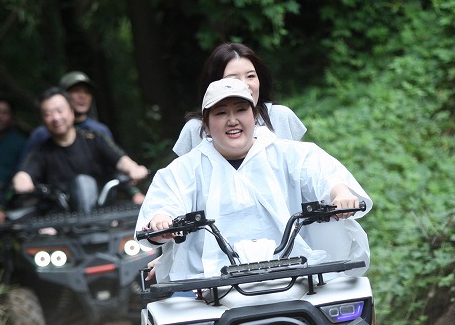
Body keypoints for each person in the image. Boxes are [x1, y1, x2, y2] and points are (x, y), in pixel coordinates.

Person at [140, 78, 370, 283]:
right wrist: (161, 221)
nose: (232, 120)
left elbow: (322, 174)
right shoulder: (185, 168)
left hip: (296, 272)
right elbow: (166, 201)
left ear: (255, 115)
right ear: (206, 124)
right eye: (221, 113)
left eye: (241, 110)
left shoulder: (289, 153)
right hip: (210, 281)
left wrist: (340, 193)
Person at [0, 87, 148, 229]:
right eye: (48, 114)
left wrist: (134, 168)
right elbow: (24, 173)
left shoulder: (94, 138)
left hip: (104, 212)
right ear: (42, 120)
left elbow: (121, 160)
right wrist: (21, 181)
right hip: (60, 220)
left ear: (71, 112)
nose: (56, 118)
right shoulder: (40, 151)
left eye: (60, 111)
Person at [172, 42, 307, 156]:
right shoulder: (194, 129)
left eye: (250, 76)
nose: (244, 85)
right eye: (233, 79)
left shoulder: (281, 116)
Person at [20, 71, 115, 161]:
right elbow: (26, 168)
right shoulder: (42, 134)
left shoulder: (99, 131)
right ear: (62, 96)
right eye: (76, 91)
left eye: (87, 92)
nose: (83, 96)